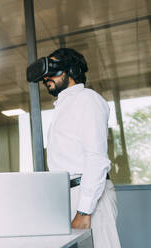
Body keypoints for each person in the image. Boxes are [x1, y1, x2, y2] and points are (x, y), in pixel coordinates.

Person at [43, 48, 121, 247]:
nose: (46, 78)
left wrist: (84, 210)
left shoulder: (87, 99)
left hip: (90, 196)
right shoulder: (63, 106)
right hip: (70, 196)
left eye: (53, 70)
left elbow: (96, 158)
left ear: (70, 71)